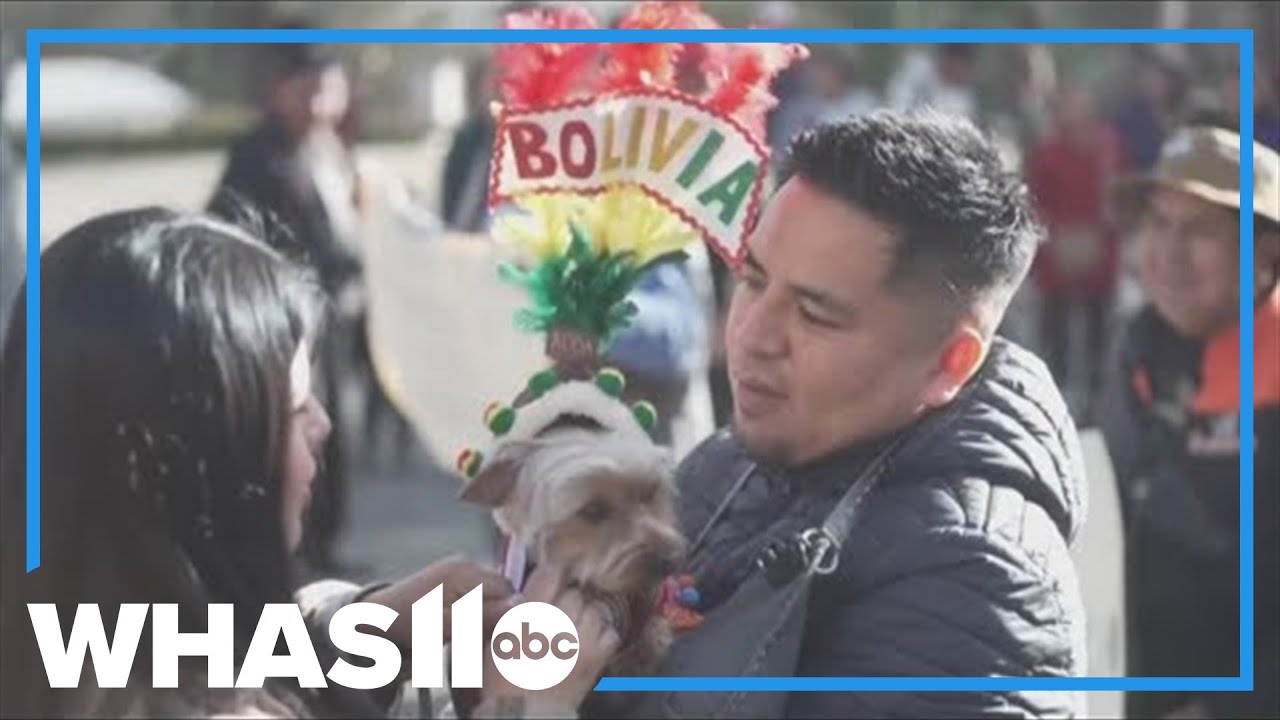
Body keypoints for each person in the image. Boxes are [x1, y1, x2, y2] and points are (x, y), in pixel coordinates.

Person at [0, 207, 617, 719]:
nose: (322, 422)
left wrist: (369, 631)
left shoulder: (68, 634)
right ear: (192, 464)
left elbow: (175, 650)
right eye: (293, 408)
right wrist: (532, 703)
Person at [609, 111, 1088, 718]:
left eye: (815, 315)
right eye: (752, 282)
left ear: (950, 362)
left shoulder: (972, 583)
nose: (751, 337)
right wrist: (475, 645)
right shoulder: (731, 464)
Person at [1099, 125, 1280, 719]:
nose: (1168, 253)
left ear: (1266, 252)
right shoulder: (1140, 348)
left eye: (1199, 230)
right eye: (1157, 223)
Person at [207, 30, 364, 574]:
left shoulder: (332, 151)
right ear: (279, 91)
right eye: (309, 92)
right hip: (284, 324)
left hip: (333, 317)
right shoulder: (257, 156)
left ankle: (327, 545)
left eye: (330, 92)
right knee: (296, 436)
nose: (321, 106)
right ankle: (298, 550)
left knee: (336, 433)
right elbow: (228, 233)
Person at [1026, 82, 1125, 421]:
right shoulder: (1049, 149)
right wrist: (1052, 230)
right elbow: (1037, 197)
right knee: (1056, 327)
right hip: (1059, 251)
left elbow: (1120, 192)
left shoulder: (1108, 146)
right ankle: (1056, 390)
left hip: (1099, 249)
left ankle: (1096, 396)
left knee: (1098, 325)